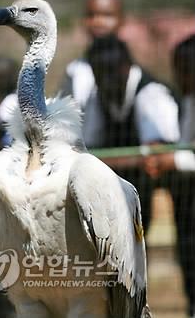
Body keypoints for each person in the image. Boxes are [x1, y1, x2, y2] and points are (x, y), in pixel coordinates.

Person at [84, 35, 180, 231]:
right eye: (99, 73)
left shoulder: (151, 93)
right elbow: (87, 150)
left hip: (173, 187)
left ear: (127, 65)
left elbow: (156, 158)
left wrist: (105, 160)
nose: (105, 79)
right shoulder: (96, 97)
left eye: (111, 71)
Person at [144, 34, 195, 318]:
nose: (179, 77)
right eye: (178, 69)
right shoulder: (189, 100)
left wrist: (172, 159)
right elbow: (186, 143)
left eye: (186, 69)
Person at [61, 0, 124, 106]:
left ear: (121, 20)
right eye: (91, 15)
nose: (98, 22)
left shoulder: (131, 70)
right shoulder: (75, 70)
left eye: (107, 15)